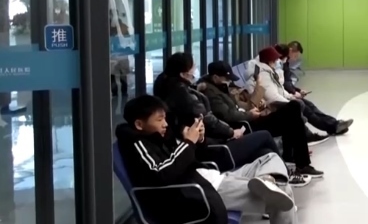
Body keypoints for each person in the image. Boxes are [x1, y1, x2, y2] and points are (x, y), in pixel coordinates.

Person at [115, 95, 299, 224]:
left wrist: (198, 139)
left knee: (269, 157)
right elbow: (163, 173)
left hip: (211, 177)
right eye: (159, 120)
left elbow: (187, 157)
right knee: (282, 193)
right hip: (203, 191)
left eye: (164, 118)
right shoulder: (137, 144)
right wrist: (188, 142)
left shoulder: (159, 137)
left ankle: (267, 180)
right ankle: (268, 183)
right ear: (139, 124)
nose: (165, 124)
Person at [153, 53, 298, 182]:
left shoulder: (176, 91)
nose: (195, 71)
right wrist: (231, 132)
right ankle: (286, 174)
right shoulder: (185, 95)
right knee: (266, 135)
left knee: (266, 152)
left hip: (213, 143)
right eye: (192, 68)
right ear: (183, 74)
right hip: (216, 149)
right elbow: (209, 120)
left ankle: (279, 178)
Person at [199, 60, 324, 177]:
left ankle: (295, 159)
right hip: (246, 126)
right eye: (226, 79)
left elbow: (237, 107)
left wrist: (251, 110)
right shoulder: (211, 94)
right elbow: (228, 115)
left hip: (248, 119)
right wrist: (250, 114)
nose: (229, 81)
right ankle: (301, 163)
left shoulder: (220, 88)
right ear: (215, 77)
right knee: (292, 111)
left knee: (293, 110)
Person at [274, 44, 353, 137]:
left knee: (311, 106)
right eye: (295, 56)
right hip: (284, 96)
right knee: (307, 110)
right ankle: (333, 127)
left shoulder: (283, 64)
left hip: (287, 93)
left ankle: (334, 124)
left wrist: (298, 91)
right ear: (290, 51)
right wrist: (294, 93)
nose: (295, 59)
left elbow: (286, 83)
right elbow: (283, 84)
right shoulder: (279, 66)